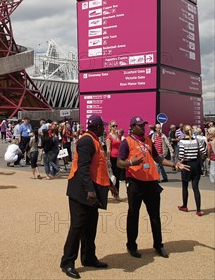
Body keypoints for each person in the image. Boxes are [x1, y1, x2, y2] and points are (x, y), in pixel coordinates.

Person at [117, 116, 189, 259]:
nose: (143, 127)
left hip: (151, 182)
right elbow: (119, 162)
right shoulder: (127, 141)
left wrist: (174, 164)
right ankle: (131, 245)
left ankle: (158, 245)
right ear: (132, 127)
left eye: (143, 125)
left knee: (155, 215)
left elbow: (158, 158)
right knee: (133, 215)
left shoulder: (148, 140)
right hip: (135, 183)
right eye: (139, 125)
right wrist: (131, 162)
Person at [60, 115, 114, 279]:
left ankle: (89, 257)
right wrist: (90, 191)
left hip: (91, 189)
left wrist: (110, 186)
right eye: (102, 127)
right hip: (81, 191)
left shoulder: (94, 140)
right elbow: (82, 167)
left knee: (90, 227)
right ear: (97, 127)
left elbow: (98, 166)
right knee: (77, 227)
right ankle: (67, 262)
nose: (104, 129)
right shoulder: (87, 141)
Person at [177, 125, 207, 216]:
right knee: (195, 188)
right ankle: (198, 210)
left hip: (186, 164)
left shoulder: (182, 141)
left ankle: (184, 206)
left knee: (185, 186)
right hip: (196, 165)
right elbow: (203, 152)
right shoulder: (197, 140)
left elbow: (181, 155)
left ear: (183, 131)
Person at [106, 120, 122, 197]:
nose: (115, 127)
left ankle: (116, 192)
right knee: (114, 176)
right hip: (112, 158)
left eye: (116, 125)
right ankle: (115, 193)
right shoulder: (109, 137)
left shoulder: (118, 135)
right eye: (113, 126)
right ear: (110, 127)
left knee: (118, 176)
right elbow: (108, 149)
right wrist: (108, 160)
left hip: (118, 157)